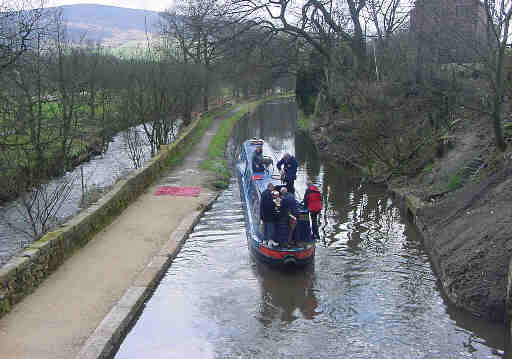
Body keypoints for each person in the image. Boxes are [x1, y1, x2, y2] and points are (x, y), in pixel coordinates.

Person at [260, 182, 279, 246]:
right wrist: (275, 204)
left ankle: (264, 240)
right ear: (270, 187)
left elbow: (262, 204)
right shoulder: (269, 194)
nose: (273, 189)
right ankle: (270, 241)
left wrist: (261, 215)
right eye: (273, 188)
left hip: (263, 214)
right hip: (269, 215)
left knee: (265, 228)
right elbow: (270, 204)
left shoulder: (263, 193)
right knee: (270, 228)